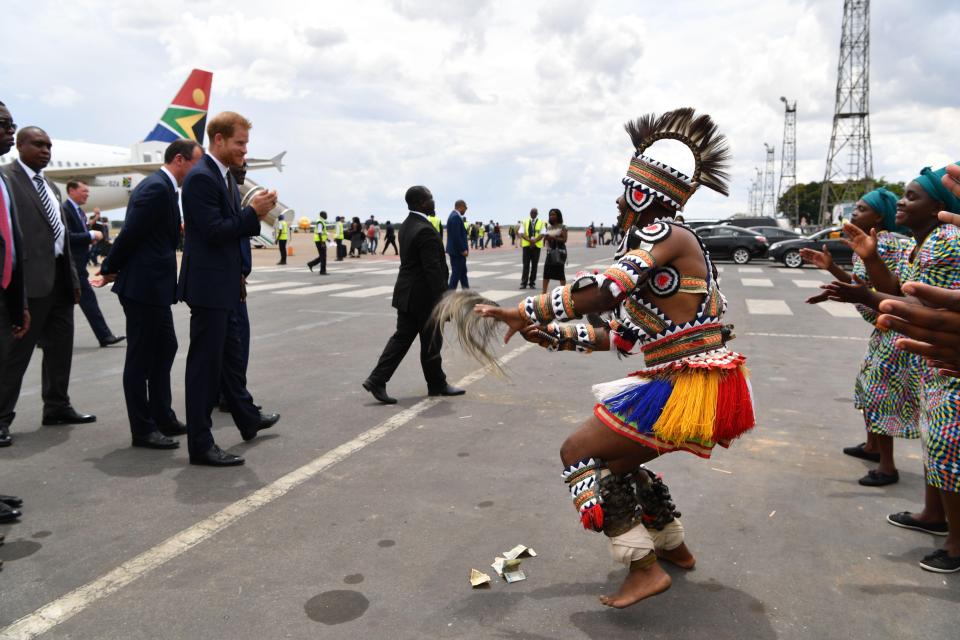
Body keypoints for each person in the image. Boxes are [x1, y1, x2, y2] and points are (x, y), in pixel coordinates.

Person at [476, 108, 752, 607]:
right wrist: (551, 335)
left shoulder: (662, 235)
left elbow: (604, 291)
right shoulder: (673, 245)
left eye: (624, 189)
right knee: (619, 463)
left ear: (643, 193)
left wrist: (523, 308)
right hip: (701, 383)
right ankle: (673, 546)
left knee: (576, 453)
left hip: (685, 384)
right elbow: (618, 334)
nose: (617, 200)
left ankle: (644, 570)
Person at [824, 162, 960, 573]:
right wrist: (863, 281)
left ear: (941, 204)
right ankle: (933, 516)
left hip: (943, 360)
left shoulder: (946, 240)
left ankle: (955, 544)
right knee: (936, 445)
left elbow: (912, 302)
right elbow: (899, 293)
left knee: (946, 447)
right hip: (930, 356)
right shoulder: (929, 241)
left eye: (912, 196)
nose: (903, 202)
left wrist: (864, 294)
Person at [177, 111, 276, 467]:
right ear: (218, 140)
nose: (244, 150)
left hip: (225, 285)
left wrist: (238, 278)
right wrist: (255, 213)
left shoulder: (221, 177)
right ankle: (200, 444)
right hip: (208, 289)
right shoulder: (202, 179)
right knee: (204, 367)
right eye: (239, 143)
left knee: (226, 358)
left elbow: (228, 237)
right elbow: (213, 231)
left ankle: (245, 418)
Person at [800, 189, 916, 486]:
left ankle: (887, 466)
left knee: (880, 393)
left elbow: (889, 288)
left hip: (892, 328)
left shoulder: (886, 244)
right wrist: (832, 268)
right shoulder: (864, 243)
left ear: (878, 216)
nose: (854, 213)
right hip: (882, 327)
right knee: (868, 387)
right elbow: (860, 285)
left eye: (862, 209)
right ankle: (872, 447)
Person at [92, 139, 202, 449]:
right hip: (142, 287)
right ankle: (142, 429)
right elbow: (130, 233)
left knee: (165, 347)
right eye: (196, 162)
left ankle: (161, 415)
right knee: (141, 357)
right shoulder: (155, 188)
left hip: (153, 286)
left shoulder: (165, 189)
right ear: (179, 160)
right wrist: (107, 268)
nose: (199, 169)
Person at [0, 124, 94, 446]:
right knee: (17, 354)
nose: (45, 151)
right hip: (28, 283)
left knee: (60, 347)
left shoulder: (52, 187)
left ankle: (56, 406)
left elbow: (62, 238)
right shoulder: (7, 179)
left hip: (59, 281)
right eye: (38, 145)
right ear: (21, 146)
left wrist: (72, 277)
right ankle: (1, 418)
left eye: (49, 146)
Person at [362, 186, 465, 404]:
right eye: (430, 199)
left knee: (403, 339)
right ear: (420, 203)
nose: (434, 202)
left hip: (407, 294)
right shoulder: (425, 229)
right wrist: (444, 301)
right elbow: (433, 271)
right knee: (431, 341)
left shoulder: (408, 225)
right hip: (424, 298)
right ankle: (436, 384)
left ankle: (377, 379)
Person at [0, 101, 31, 448]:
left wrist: (17, 300)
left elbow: (11, 244)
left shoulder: (2, 180)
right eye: (4, 124)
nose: (11, 130)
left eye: (12, 124)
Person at [62, 180, 124, 347]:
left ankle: (41, 337)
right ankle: (104, 336)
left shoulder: (79, 212)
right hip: (73, 267)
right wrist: (89, 236)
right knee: (89, 302)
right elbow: (65, 236)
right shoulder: (66, 210)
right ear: (71, 191)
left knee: (57, 303)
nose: (87, 194)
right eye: (84, 191)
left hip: (77, 265)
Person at [541, 208, 568, 293]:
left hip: (559, 252)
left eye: (553, 214)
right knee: (546, 273)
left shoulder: (563, 227)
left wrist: (553, 237)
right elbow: (545, 240)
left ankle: (563, 292)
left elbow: (564, 239)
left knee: (560, 273)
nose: (551, 216)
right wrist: (545, 239)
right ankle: (544, 292)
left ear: (558, 216)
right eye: (550, 215)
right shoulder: (549, 227)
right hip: (550, 252)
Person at [518, 208, 545, 289]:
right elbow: (522, 233)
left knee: (534, 265)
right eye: (531, 212)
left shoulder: (541, 222)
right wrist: (530, 241)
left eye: (534, 212)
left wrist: (534, 241)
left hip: (536, 247)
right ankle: (524, 283)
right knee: (526, 265)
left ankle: (532, 283)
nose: (533, 214)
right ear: (530, 213)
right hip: (527, 246)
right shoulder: (524, 222)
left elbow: (543, 233)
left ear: (537, 213)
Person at [446, 199, 469, 290]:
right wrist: (462, 249)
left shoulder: (453, 215)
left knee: (463, 274)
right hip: (458, 252)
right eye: (465, 207)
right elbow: (456, 236)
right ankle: (449, 297)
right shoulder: (455, 217)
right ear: (460, 206)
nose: (466, 210)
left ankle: (467, 294)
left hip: (456, 251)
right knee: (455, 276)